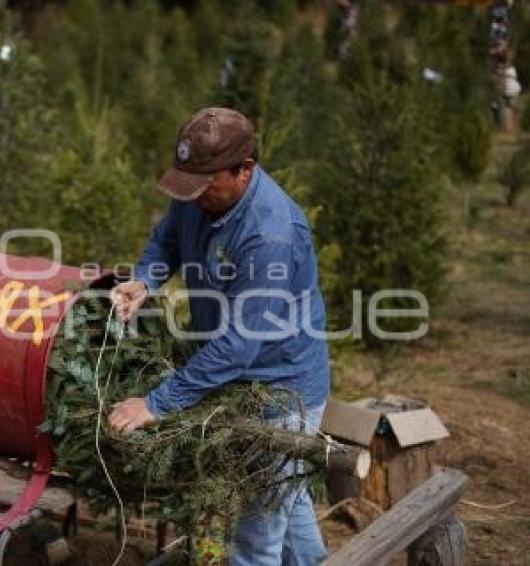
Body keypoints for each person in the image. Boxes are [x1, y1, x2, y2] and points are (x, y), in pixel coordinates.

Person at [107, 107, 330, 565]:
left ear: (244, 169)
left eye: (206, 185)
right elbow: (165, 240)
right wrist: (145, 280)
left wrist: (156, 403)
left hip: (281, 389)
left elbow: (238, 345)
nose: (195, 197)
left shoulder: (271, 234)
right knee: (290, 501)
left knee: (257, 532)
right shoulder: (197, 190)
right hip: (236, 372)